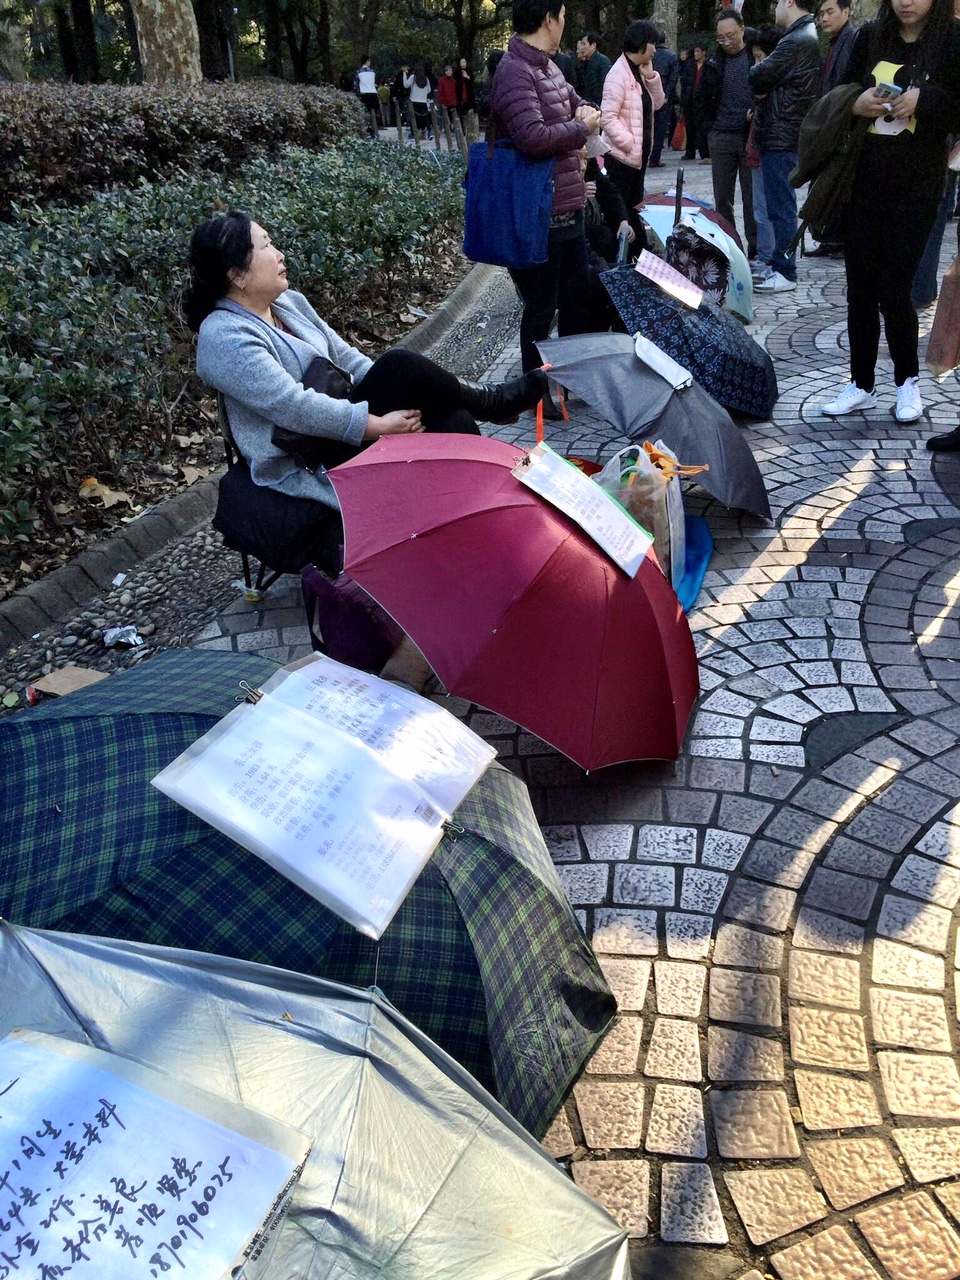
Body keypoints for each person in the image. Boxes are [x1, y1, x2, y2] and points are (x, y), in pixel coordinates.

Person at [186, 213, 547, 546]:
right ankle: (492, 404)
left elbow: (347, 358)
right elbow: (291, 406)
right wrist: (374, 425)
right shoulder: (224, 336)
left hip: (342, 426)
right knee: (400, 365)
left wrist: (387, 403)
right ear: (237, 274)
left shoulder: (287, 303)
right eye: (266, 246)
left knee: (453, 420)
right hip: (308, 457)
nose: (279, 254)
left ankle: (476, 515)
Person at [819, 0, 960, 425]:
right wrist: (857, 102)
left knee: (897, 288)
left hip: (918, 185)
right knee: (859, 287)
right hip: (863, 181)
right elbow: (842, 93)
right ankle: (861, 384)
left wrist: (925, 99)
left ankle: (907, 382)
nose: (907, 1)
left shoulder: (951, 40)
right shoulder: (870, 36)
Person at [491, 0, 601, 380]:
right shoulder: (514, 72)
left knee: (576, 299)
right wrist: (581, 129)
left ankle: (570, 378)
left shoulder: (548, 65)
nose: (565, 25)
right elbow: (532, 138)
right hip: (538, 212)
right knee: (541, 306)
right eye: (564, 16)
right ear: (548, 19)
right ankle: (535, 390)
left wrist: (586, 112)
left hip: (568, 205)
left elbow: (576, 103)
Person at [748, 0, 821, 292]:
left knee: (781, 208)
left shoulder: (796, 40)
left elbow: (756, 76)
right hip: (783, 132)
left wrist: (763, 82)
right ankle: (780, 265)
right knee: (779, 206)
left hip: (782, 134)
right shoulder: (802, 37)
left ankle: (785, 270)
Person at [697, 9, 758, 257]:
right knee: (722, 199)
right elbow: (699, 100)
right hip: (721, 135)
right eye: (721, 38)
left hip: (749, 137)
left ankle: (756, 248)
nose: (726, 42)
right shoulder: (713, 62)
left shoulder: (757, 56)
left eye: (731, 36)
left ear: (742, 30)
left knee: (752, 198)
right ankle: (730, 247)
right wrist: (709, 131)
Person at [601, 20, 665, 245]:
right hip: (622, 159)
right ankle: (627, 258)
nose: (655, 49)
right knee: (622, 214)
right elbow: (607, 116)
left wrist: (651, 78)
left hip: (637, 159)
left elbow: (657, 103)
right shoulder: (617, 74)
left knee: (635, 209)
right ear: (641, 45)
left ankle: (636, 259)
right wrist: (629, 142)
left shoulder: (638, 71)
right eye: (652, 44)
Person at [807, 0, 859, 255]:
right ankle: (830, 237)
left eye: (830, 12)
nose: (824, 18)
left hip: (842, 124)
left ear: (846, 12)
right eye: (821, 13)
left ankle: (837, 238)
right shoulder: (836, 41)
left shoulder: (852, 40)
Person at [748, 26, 782, 281]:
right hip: (758, 149)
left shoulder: (777, 82)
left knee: (769, 209)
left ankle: (770, 258)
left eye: (761, 58)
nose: (758, 64)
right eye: (756, 58)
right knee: (760, 208)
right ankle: (765, 256)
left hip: (771, 150)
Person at [650, 32, 680, 167]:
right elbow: (673, 79)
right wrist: (667, 96)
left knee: (647, 127)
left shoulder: (649, 55)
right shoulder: (672, 56)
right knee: (660, 128)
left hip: (648, 95)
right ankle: (655, 158)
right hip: (664, 96)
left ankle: (646, 156)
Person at [682, 44, 710, 160]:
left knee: (702, 127)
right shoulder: (690, 65)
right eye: (695, 52)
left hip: (702, 101)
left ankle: (704, 152)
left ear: (704, 52)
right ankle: (690, 151)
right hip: (690, 99)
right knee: (690, 126)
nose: (696, 54)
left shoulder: (708, 66)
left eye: (698, 51)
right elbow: (685, 82)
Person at [575, 30, 612, 103]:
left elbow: (604, 87)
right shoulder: (584, 63)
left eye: (584, 44)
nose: (581, 48)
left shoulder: (603, 62)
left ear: (593, 45)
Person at [404, 61, 434, 138]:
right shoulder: (426, 79)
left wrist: (404, 74)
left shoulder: (413, 77)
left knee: (413, 118)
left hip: (414, 100)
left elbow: (406, 85)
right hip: (423, 101)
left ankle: (413, 133)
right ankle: (429, 131)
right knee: (425, 117)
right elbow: (429, 90)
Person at [356, 57, 379, 134]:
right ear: (367, 61)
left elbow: (356, 84)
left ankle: (368, 128)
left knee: (366, 112)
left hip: (364, 93)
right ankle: (375, 128)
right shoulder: (373, 72)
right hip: (373, 92)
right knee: (374, 113)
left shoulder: (359, 72)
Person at [455, 57, 477, 121]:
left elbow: (472, 81)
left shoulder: (469, 70)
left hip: (468, 94)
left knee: (469, 110)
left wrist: (467, 77)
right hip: (460, 94)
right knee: (460, 111)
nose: (463, 64)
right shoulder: (457, 71)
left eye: (464, 62)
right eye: (461, 62)